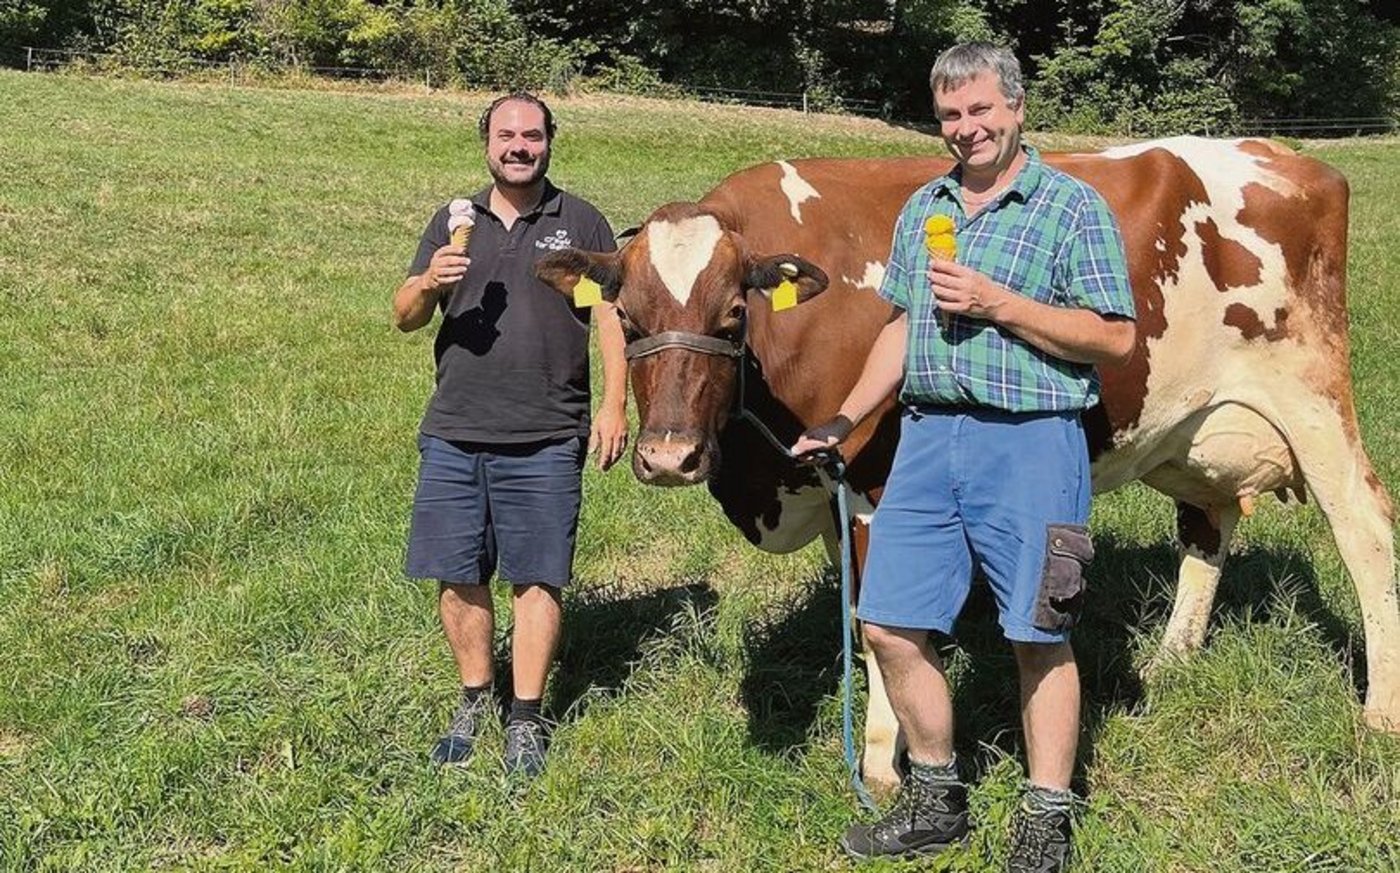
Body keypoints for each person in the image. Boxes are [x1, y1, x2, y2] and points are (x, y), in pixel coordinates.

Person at [792, 43, 1136, 870]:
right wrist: (844, 418)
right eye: (950, 115)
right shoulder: (925, 209)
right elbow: (904, 328)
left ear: (1016, 108)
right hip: (928, 438)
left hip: (1033, 442)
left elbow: (1115, 337)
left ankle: (1047, 815)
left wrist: (1000, 303)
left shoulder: (1070, 207)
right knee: (888, 622)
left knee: (1036, 631)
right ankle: (938, 794)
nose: (966, 129)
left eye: (981, 110)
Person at [393, 92, 627, 778]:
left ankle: (525, 716)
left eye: (531, 135)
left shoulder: (578, 221)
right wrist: (429, 282)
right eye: (506, 135)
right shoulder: (452, 219)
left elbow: (607, 316)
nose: (518, 146)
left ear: (550, 142)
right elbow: (404, 314)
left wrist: (615, 404)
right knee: (457, 570)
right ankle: (474, 698)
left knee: (538, 575)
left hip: (549, 429)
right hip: (456, 424)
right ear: (486, 143)